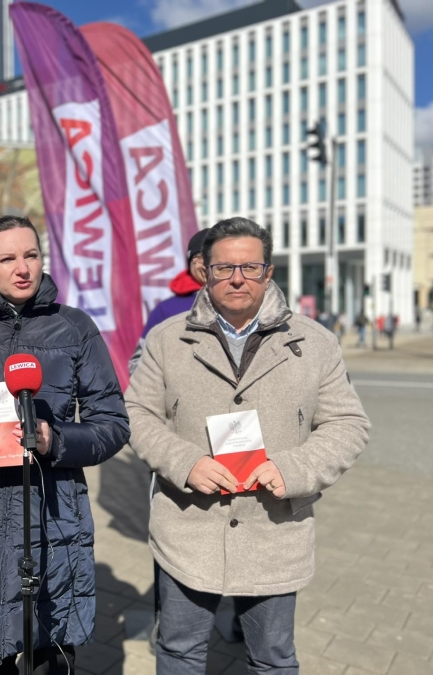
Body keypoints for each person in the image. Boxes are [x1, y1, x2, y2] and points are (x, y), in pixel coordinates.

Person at [125, 217, 370, 675]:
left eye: (250, 267)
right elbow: (136, 414)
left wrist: (293, 469)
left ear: (268, 272)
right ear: (206, 271)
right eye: (224, 268)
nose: (237, 278)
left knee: (273, 658)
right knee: (178, 651)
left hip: (273, 530)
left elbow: (348, 424)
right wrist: (184, 462)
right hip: (188, 529)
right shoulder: (166, 339)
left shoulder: (316, 342)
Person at [0, 216, 131, 674]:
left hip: (54, 518)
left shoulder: (74, 328)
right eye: (7, 258)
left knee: (53, 655)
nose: (22, 268)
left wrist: (56, 439)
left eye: (31, 255)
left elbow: (112, 424)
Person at [129, 228, 208, 374]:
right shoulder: (167, 309)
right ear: (190, 262)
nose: (208, 263)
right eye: (200, 256)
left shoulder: (244, 301)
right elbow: (137, 365)